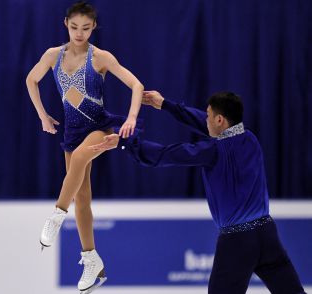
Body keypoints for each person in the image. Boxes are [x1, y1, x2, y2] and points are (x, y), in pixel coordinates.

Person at [89, 91, 306, 294]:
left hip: (237, 242)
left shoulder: (212, 151)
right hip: (267, 234)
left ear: (220, 120)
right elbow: (207, 124)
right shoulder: (250, 139)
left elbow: (164, 155)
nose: (205, 119)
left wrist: (126, 142)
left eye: (209, 116)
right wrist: (165, 105)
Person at [25, 1, 143, 293]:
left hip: (99, 126)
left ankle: (56, 215)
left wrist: (130, 118)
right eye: (75, 27)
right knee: (83, 196)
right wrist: (42, 115)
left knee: (79, 159)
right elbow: (31, 79)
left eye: (86, 28)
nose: (80, 33)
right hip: (72, 129)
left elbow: (136, 85)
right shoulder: (53, 55)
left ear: (94, 28)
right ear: (66, 23)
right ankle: (92, 260)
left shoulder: (100, 57)